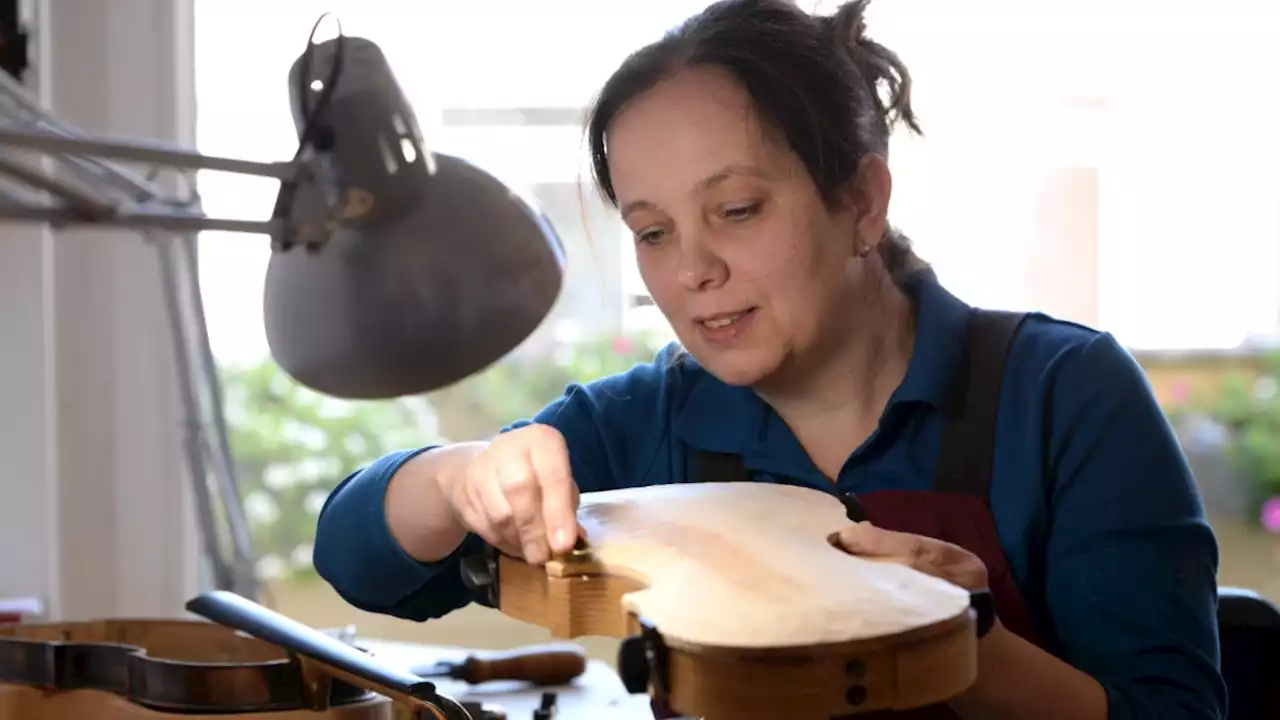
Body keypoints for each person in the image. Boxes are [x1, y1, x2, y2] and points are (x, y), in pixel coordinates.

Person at [313, 1, 1227, 718]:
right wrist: (455, 478)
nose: (693, 270)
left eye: (737, 210)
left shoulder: (1065, 394)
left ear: (861, 201)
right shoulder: (645, 422)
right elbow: (356, 560)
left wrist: (955, 644)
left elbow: (1175, 712)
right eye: (654, 231)